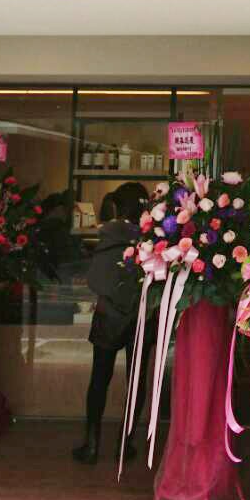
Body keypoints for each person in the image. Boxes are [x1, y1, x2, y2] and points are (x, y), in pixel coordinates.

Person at [72, 182, 151, 464]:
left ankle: (91, 444)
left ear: (117, 206)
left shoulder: (108, 234)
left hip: (109, 316)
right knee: (136, 381)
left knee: (99, 379)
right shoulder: (153, 237)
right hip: (141, 317)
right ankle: (124, 444)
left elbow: (94, 279)